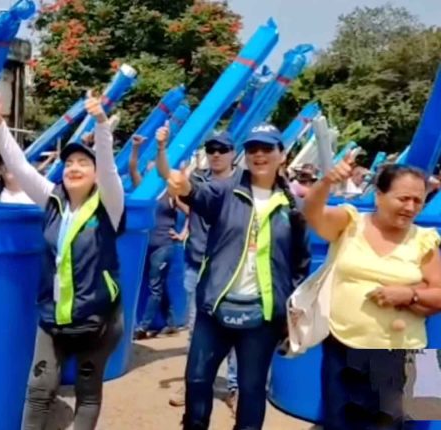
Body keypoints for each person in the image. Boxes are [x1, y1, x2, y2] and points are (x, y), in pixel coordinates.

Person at [0, 91, 125, 430]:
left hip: (98, 319)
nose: (75, 168)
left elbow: (110, 172)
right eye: (70, 163)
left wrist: (102, 127)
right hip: (53, 318)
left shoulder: (109, 207)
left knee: (87, 392)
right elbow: (19, 166)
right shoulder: (51, 200)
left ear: (94, 174)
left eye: (83, 164)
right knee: (38, 390)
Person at [167, 124, 311, 430]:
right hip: (215, 307)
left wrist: (290, 307)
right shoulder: (225, 190)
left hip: (263, 315)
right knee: (197, 380)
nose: (259, 155)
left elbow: (301, 262)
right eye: (252, 149)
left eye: (267, 149)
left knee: (251, 389)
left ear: (281, 155)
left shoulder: (294, 207)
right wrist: (181, 185)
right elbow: (196, 194)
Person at [303, 158, 441, 430]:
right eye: (403, 198)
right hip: (343, 347)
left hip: (404, 356)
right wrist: (327, 181)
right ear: (379, 196)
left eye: (418, 200)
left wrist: (410, 295)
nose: (411, 207)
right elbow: (312, 212)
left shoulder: (425, 239)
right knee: (338, 424)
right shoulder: (350, 221)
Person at [165, 131, 241, 410]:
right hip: (197, 265)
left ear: (233, 152)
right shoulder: (196, 180)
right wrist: (162, 147)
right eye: (212, 149)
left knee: (237, 328)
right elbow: (172, 182)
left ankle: (235, 388)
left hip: (233, 268)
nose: (217, 154)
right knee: (197, 330)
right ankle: (193, 384)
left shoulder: (244, 183)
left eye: (222, 149)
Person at [132, 122, 188, 339]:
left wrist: (183, 233)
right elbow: (132, 168)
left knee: (155, 286)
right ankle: (172, 321)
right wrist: (136, 148)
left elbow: (192, 209)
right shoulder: (145, 192)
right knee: (157, 285)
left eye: (154, 169)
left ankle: (143, 327)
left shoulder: (170, 193)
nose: (150, 172)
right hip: (147, 244)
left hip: (163, 245)